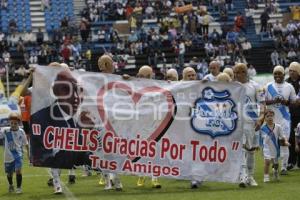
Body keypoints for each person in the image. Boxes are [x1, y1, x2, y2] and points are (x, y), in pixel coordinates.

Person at [30, 63, 94, 193]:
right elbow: (29, 91)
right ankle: (57, 182)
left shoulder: (76, 87)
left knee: (75, 149)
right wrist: (32, 75)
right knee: (55, 153)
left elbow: (95, 87)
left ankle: (72, 175)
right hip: (53, 126)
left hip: (72, 123)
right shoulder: (48, 88)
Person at [233, 63, 265, 187]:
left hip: (251, 122)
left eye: (238, 72)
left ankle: (250, 176)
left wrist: (261, 118)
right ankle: (243, 176)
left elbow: (262, 104)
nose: (235, 75)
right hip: (237, 122)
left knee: (251, 150)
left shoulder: (256, 86)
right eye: (234, 72)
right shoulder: (232, 86)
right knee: (240, 149)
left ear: (244, 72)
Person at [265, 65, 297, 175]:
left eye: (280, 73)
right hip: (271, 120)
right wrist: (273, 101)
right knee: (273, 144)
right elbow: (262, 101)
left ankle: (283, 167)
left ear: (284, 74)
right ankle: (275, 166)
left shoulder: (289, 86)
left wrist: (286, 102)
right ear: (273, 75)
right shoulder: (268, 86)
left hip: (285, 119)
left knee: (284, 142)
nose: (277, 75)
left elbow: (294, 102)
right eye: (275, 73)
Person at [97, 55, 123, 191]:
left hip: (115, 121)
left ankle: (116, 179)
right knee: (104, 153)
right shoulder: (96, 79)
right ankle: (109, 180)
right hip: (102, 121)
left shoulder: (118, 79)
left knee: (115, 152)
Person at [136, 65, 162, 189]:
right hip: (140, 124)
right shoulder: (134, 87)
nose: (145, 78)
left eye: (147, 75)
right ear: (138, 76)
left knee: (155, 152)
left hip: (155, 124)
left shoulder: (158, 87)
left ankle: (155, 178)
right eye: (142, 75)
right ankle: (141, 174)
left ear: (152, 75)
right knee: (142, 152)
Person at [0, 113, 29, 194]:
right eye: (11, 123)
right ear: (9, 122)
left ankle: (19, 188)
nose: (13, 125)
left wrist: (28, 154)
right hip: (8, 156)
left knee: (18, 171)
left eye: (15, 123)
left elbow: (26, 143)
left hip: (18, 155)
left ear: (18, 123)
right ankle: (11, 185)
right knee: (9, 174)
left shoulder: (21, 131)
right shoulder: (5, 130)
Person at [260, 109, 289, 183]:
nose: (270, 118)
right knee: (267, 161)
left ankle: (275, 172)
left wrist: (285, 142)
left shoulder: (278, 127)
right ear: (265, 118)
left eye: (271, 116)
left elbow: (282, 136)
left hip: (275, 148)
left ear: (274, 117)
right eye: (267, 116)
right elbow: (261, 140)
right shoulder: (262, 128)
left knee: (275, 163)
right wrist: (260, 147)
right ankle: (266, 177)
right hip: (266, 148)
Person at [285, 62, 300, 170]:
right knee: (290, 138)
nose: (291, 73)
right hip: (290, 114)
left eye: (293, 70)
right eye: (290, 70)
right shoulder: (286, 83)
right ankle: (290, 162)